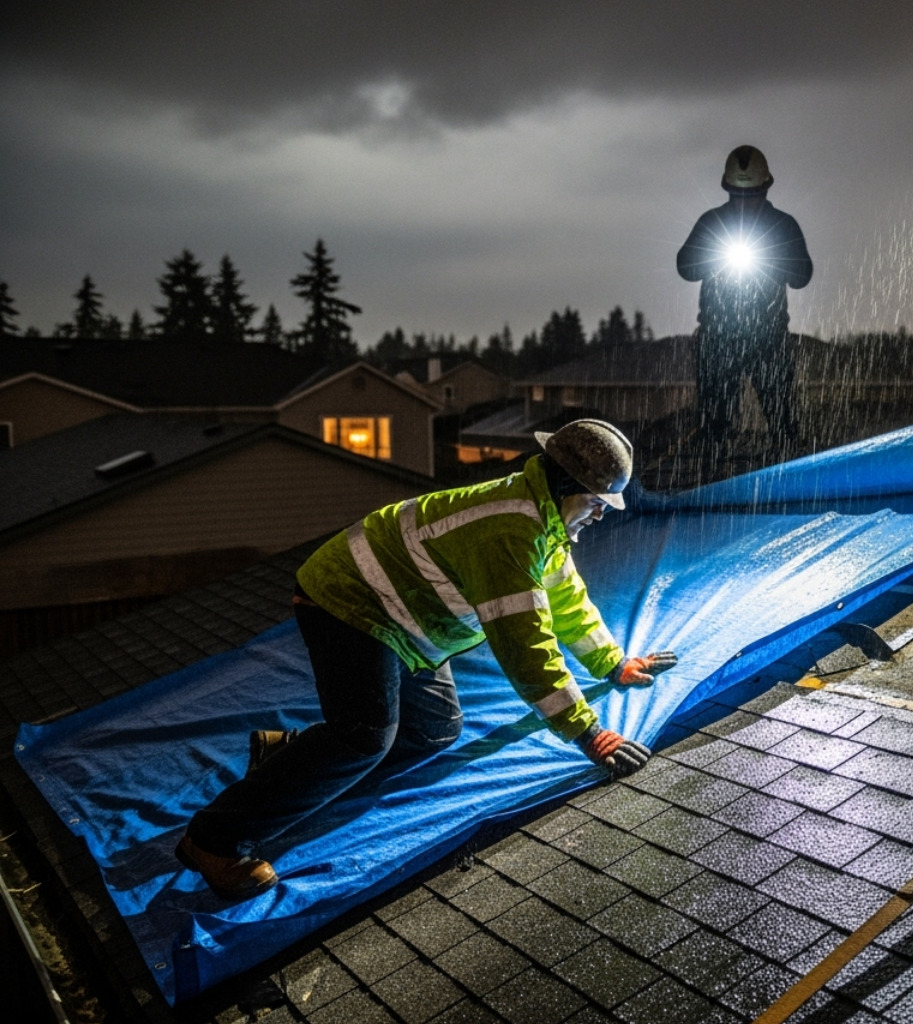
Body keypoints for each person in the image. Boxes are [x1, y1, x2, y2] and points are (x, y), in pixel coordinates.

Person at [175, 419, 676, 900]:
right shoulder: (510, 530)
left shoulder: (540, 518)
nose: (603, 512)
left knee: (435, 731)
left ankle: (290, 759)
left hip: (405, 620)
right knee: (364, 736)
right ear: (567, 484)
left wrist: (612, 664)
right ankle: (214, 839)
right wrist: (589, 732)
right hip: (350, 602)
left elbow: (565, 599)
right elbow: (525, 643)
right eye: (597, 500)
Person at [678, 145, 813, 448]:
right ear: (728, 190)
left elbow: (802, 276)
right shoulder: (711, 223)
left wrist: (779, 259)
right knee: (713, 426)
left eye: (750, 197)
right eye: (739, 197)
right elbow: (685, 267)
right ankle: (710, 478)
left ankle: (787, 473)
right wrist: (709, 256)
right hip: (718, 340)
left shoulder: (783, 226)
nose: (744, 204)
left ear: (764, 190)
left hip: (769, 340)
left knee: (782, 422)